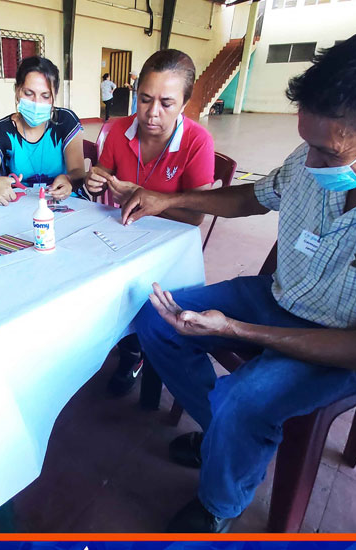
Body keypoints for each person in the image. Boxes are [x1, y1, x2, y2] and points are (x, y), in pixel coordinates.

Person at [122, 28, 356, 533]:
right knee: (156, 320)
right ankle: (228, 439)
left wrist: (236, 330)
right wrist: (169, 199)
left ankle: (219, 504)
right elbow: (255, 197)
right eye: (307, 145)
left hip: (349, 343)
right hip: (281, 296)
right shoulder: (326, 144)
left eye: (328, 155)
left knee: (243, 401)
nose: (310, 165)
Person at [86, 49, 215, 396]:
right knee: (87, 278)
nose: (152, 113)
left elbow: (196, 215)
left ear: (185, 103)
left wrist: (146, 197)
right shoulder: (118, 130)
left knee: (140, 295)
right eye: (144, 99)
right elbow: (103, 175)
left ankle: (138, 352)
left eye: (166, 103)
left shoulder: (197, 141)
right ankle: (123, 345)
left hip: (167, 248)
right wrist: (95, 180)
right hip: (120, 234)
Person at [0, 56, 84, 205]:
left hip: (67, 202)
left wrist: (69, 179)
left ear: (55, 96)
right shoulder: (0, 132)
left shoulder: (65, 122)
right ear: (17, 90)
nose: (37, 102)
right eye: (28, 93)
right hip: (17, 204)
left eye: (45, 96)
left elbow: (78, 172)